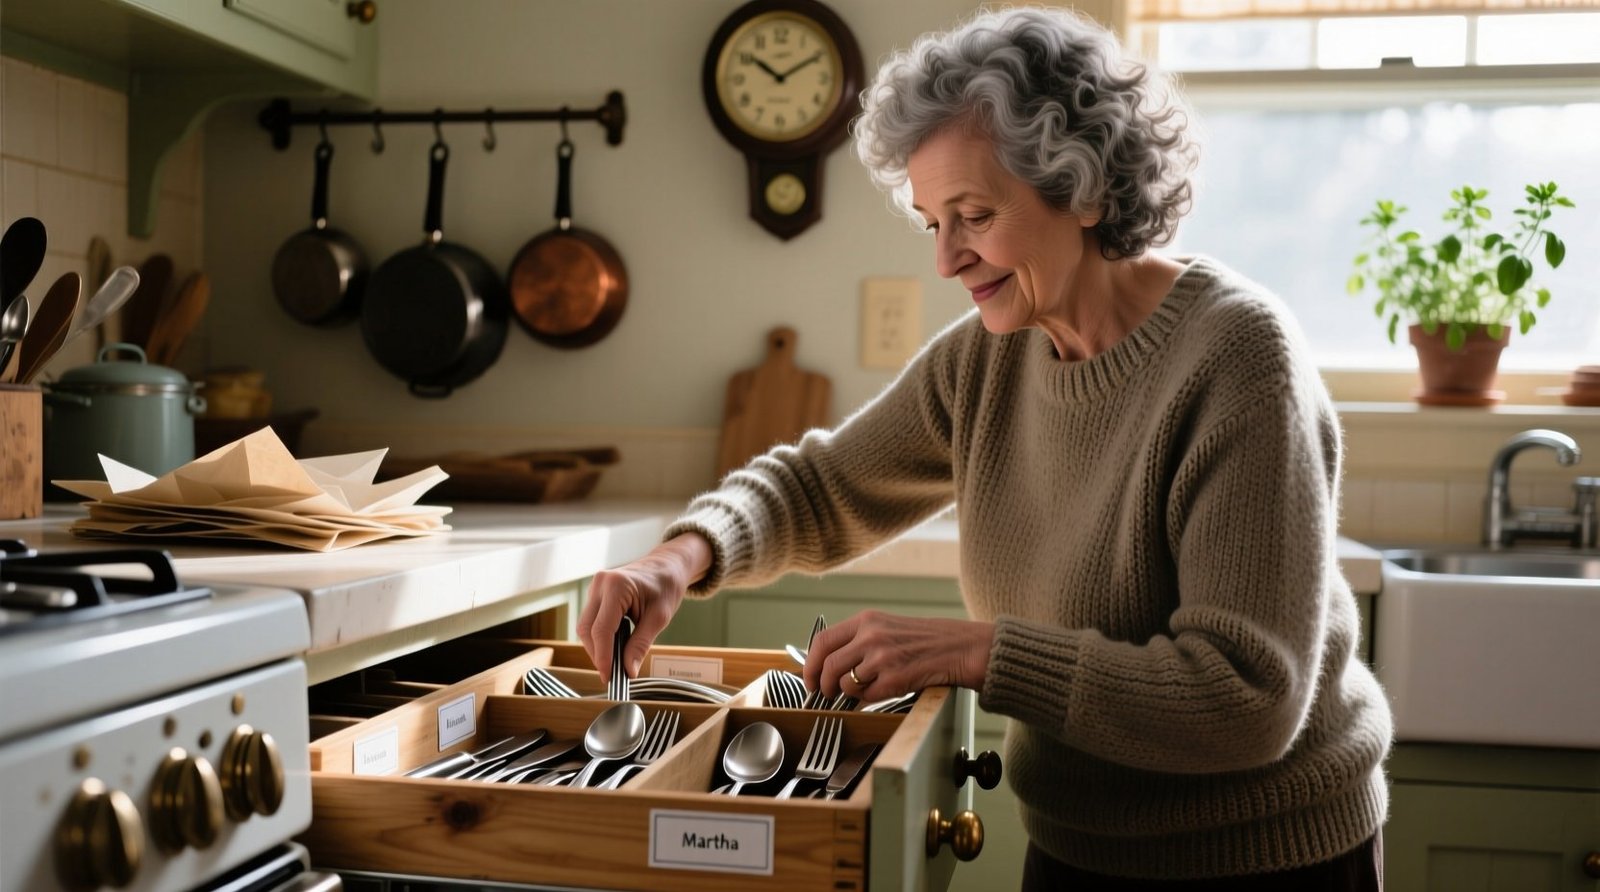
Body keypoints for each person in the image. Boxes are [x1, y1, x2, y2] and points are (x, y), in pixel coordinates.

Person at [579, 6, 1391, 889]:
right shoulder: (990, 356)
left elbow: (1245, 700)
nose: (948, 260)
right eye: (933, 222)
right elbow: (823, 486)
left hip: (1266, 856)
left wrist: (978, 652)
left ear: (1084, 189)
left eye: (973, 214)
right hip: (1078, 846)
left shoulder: (1236, 357)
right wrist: (680, 557)